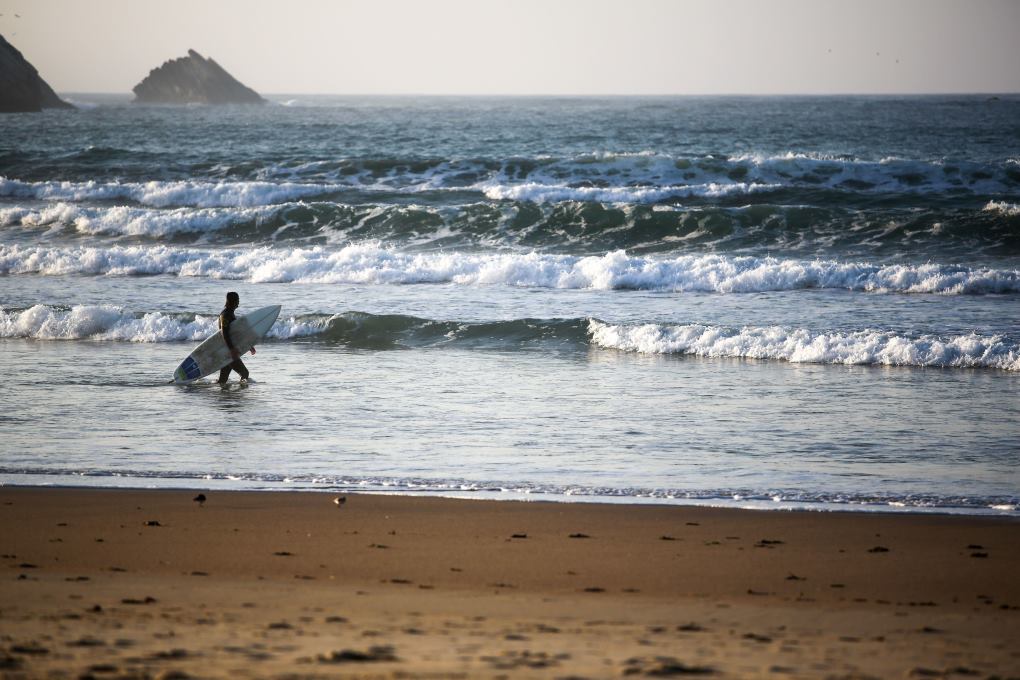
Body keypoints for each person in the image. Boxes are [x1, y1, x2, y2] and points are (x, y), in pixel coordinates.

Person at [218, 291, 255, 384]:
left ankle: (224, 397)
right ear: (232, 301)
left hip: (228, 350)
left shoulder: (230, 313)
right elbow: (224, 333)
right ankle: (238, 395)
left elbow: (235, 334)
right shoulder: (225, 315)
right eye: (237, 300)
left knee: (223, 380)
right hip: (229, 351)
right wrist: (231, 349)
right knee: (245, 373)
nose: (238, 302)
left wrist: (248, 345)